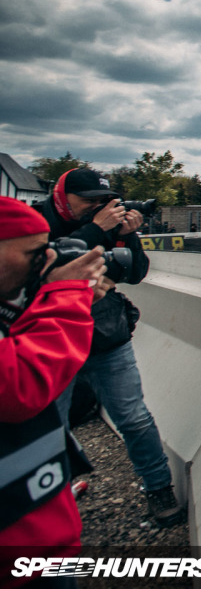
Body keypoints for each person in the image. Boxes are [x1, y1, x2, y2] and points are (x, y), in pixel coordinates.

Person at [37, 169, 185, 528]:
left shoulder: (106, 224)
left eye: (102, 200)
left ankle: (159, 488)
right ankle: (50, 501)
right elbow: (44, 266)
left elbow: (134, 273)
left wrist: (127, 235)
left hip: (105, 336)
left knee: (133, 417)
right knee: (50, 427)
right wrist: (96, 229)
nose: (96, 206)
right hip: (51, 343)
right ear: (62, 197)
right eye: (87, 200)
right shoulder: (38, 222)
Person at [1, 197, 107, 578]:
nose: (46, 260)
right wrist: (68, 295)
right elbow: (19, 384)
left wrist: (45, 295)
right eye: (35, 254)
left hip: (36, 532)